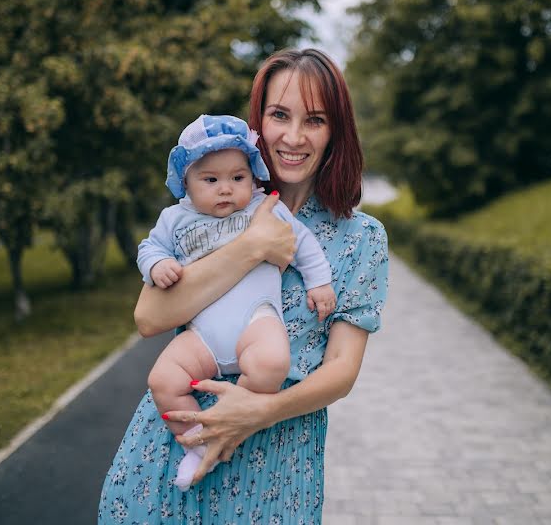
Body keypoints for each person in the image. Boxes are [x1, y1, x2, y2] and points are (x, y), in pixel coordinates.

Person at [98, 48, 389, 524]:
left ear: (335, 131)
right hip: (169, 451)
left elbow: (341, 369)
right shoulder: (211, 202)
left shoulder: (361, 239)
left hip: (276, 461)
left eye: (314, 120)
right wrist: (252, 245)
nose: (294, 137)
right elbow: (150, 318)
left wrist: (257, 411)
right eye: (279, 115)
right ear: (257, 124)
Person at [137, 113, 337, 491]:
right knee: (162, 380)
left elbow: (304, 243)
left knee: (272, 361)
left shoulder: (264, 208)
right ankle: (197, 442)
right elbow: (149, 248)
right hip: (201, 337)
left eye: (237, 177)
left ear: (253, 176)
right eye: (210, 180)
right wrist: (158, 264)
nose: (226, 189)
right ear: (186, 182)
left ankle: (236, 413)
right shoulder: (175, 218)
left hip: (254, 322)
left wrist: (320, 283)